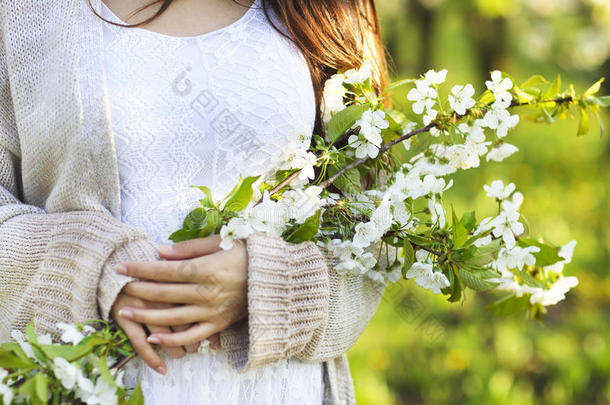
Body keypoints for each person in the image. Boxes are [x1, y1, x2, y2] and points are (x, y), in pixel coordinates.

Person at [0, 0, 389, 403]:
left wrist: (274, 284)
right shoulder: (24, 13)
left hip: (279, 389)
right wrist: (91, 272)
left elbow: (375, 228)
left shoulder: (325, 9)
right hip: (94, 382)